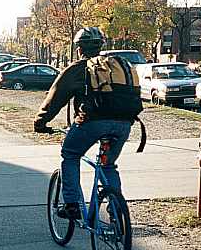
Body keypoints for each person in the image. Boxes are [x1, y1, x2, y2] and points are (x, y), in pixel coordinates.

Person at [33, 27, 133, 220]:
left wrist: (40, 122)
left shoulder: (78, 68)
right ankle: (116, 211)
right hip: (124, 123)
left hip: (92, 122)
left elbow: (56, 98)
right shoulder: (116, 66)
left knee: (70, 155)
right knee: (108, 165)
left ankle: (72, 205)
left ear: (79, 48)